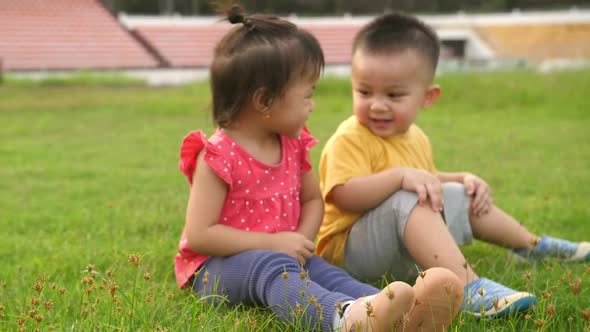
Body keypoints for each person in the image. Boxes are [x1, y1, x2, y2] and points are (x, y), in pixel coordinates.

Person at [174, 4, 463, 331]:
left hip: (285, 250)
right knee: (275, 269)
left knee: (326, 272)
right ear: (264, 101)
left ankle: (399, 311)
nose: (312, 105)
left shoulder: (293, 145)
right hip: (216, 269)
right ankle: (344, 319)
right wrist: (273, 244)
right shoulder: (218, 156)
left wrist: (299, 239)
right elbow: (201, 235)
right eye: (307, 95)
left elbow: (313, 200)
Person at [316, 12, 590, 319]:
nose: (377, 104)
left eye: (394, 94)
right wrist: (400, 177)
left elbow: (427, 178)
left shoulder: (415, 136)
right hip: (350, 255)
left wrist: (462, 178)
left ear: (428, 97)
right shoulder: (350, 137)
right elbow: (342, 195)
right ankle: (467, 286)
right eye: (364, 91)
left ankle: (532, 245)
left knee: (456, 192)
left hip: (397, 248)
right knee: (412, 196)